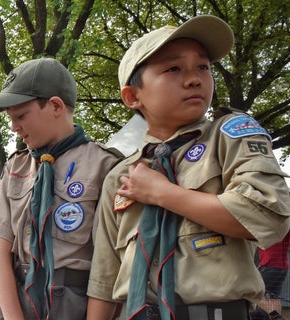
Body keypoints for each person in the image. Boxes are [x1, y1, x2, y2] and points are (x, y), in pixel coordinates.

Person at [86, 15, 290, 320]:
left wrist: (163, 193)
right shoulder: (121, 175)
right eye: (173, 68)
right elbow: (105, 278)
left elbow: (267, 216)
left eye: (203, 67)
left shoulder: (230, 136)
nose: (194, 78)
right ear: (132, 96)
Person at [0, 57, 121, 320]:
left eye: (20, 116)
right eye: (10, 118)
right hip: (17, 300)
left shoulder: (105, 165)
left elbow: (108, 264)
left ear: (55, 105)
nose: (13, 127)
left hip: (75, 303)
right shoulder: (16, 167)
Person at [252, 231, 290, 320]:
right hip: (282, 267)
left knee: (253, 292)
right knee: (274, 296)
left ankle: (275, 315)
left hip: (269, 264)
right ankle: (277, 318)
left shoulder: (270, 227)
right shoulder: (285, 226)